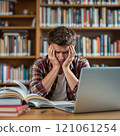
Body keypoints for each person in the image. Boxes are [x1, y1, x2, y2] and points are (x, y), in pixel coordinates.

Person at [29, 26, 90, 100]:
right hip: (46, 110)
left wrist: (66, 68)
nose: (61, 57)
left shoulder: (82, 63)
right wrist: (55, 68)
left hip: (72, 110)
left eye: (65, 52)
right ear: (49, 47)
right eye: (57, 52)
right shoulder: (40, 63)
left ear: (73, 48)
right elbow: (34, 95)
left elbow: (86, 96)